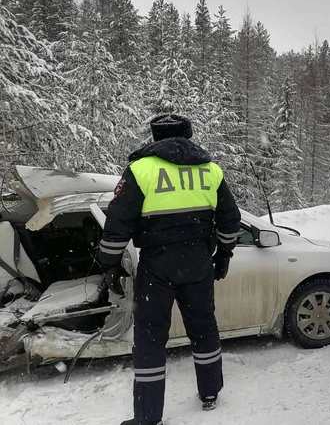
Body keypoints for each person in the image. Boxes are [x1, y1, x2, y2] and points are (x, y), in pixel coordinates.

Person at [98, 114, 241, 425]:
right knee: (204, 328)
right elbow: (231, 220)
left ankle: (148, 418)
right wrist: (224, 254)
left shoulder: (141, 169)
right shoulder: (211, 170)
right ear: (187, 135)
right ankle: (210, 392)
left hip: (157, 266)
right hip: (199, 263)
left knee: (150, 339)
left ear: (155, 136)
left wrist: (109, 263)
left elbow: (118, 222)